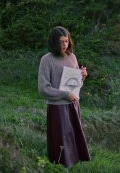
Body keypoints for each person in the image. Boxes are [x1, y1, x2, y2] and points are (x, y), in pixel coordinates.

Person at [38, 26, 90, 168]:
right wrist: (65, 94)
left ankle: (73, 168)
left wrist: (82, 76)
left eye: (66, 41)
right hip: (58, 108)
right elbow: (43, 89)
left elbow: (74, 85)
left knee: (73, 140)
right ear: (54, 42)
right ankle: (59, 169)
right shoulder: (46, 60)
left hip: (73, 105)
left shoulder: (72, 57)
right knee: (61, 144)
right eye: (61, 42)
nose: (65, 45)